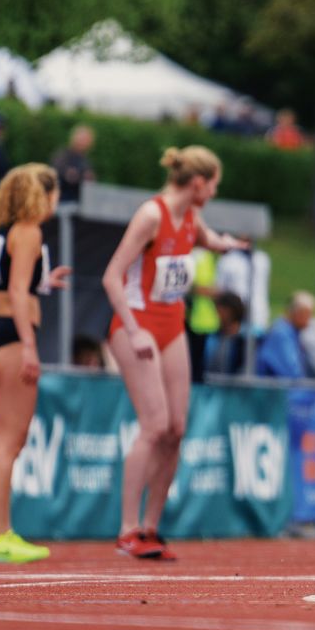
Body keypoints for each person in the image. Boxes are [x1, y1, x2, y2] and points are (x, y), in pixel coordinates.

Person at [103, 146, 249, 562]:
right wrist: (134, 332)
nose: (215, 193)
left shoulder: (192, 217)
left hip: (171, 324)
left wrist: (228, 244)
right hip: (137, 324)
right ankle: (126, 530)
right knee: (154, 425)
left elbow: (208, 239)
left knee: (177, 427)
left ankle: (150, 526)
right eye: (214, 185)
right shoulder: (152, 215)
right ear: (199, 183)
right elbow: (112, 276)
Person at [0, 164, 71, 563]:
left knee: (5, 442)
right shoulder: (29, 232)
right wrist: (29, 345)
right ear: (44, 195)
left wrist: (42, 283)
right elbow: (15, 289)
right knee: (9, 443)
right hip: (12, 340)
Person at [256, 291, 315, 379]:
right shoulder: (281, 333)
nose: (310, 320)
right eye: (308, 314)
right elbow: (291, 372)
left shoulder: (292, 331)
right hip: (275, 389)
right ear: (298, 313)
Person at [52, 124, 97, 206]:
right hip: (62, 201)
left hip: (77, 203)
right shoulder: (63, 155)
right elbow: (59, 174)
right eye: (82, 139)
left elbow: (89, 180)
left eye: (86, 140)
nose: (84, 142)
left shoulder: (85, 160)